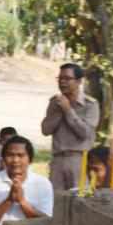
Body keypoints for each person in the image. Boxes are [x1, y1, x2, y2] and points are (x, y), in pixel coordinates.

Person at [41, 62, 100, 190]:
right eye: (60, 78)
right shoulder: (55, 102)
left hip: (79, 160)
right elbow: (45, 130)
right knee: (56, 199)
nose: (62, 82)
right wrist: (59, 111)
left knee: (78, 198)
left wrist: (68, 110)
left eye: (67, 78)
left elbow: (84, 133)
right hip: (57, 160)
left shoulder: (90, 105)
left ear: (79, 81)